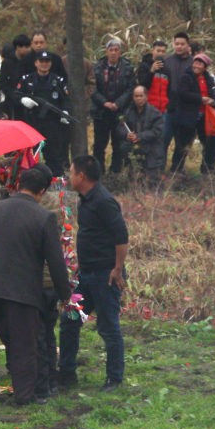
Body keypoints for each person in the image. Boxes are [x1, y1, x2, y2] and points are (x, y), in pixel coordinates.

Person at [0, 164, 70, 405]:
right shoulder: (44, 217)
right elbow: (55, 261)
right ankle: (24, 395)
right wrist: (65, 294)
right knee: (24, 345)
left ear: (19, 184)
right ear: (42, 191)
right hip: (23, 290)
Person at [57, 156, 128, 391]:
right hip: (86, 276)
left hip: (105, 276)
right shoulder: (85, 200)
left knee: (108, 327)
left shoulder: (104, 202)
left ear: (82, 176)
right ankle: (66, 374)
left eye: (71, 172)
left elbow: (121, 236)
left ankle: (114, 378)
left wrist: (117, 269)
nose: (69, 177)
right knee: (69, 321)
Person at [20, 52, 73, 175]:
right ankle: (31, 179)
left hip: (52, 124)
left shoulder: (58, 81)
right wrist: (22, 99)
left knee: (54, 156)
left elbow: (66, 99)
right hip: (32, 123)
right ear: (36, 63)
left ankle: (56, 180)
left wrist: (65, 111)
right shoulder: (27, 80)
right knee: (32, 155)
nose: (44, 64)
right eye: (41, 61)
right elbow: (16, 94)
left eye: (47, 61)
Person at [90, 39, 134, 174]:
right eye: (111, 50)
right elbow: (92, 88)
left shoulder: (128, 68)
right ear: (106, 51)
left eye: (116, 50)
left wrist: (118, 103)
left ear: (120, 52)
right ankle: (98, 172)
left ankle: (115, 172)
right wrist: (104, 102)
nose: (113, 53)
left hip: (120, 112)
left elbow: (130, 89)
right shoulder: (97, 67)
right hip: (101, 112)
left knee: (118, 144)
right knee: (99, 145)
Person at [117, 84, 166, 182]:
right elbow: (120, 127)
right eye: (136, 96)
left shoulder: (155, 113)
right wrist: (127, 135)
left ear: (146, 97)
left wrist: (139, 136)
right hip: (133, 149)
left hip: (151, 149)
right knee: (133, 178)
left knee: (152, 181)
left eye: (141, 96)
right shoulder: (128, 111)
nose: (138, 98)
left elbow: (157, 132)